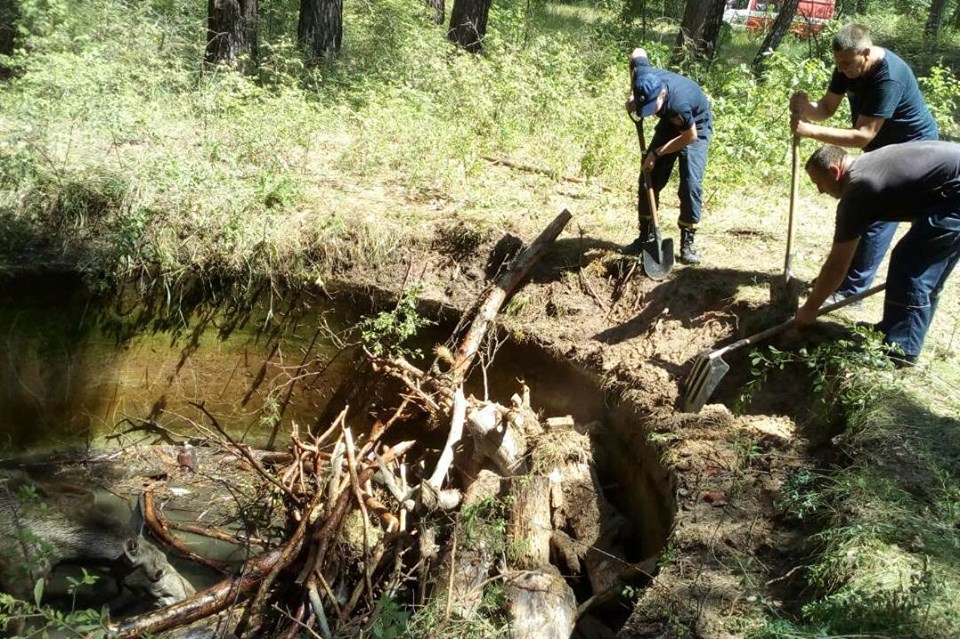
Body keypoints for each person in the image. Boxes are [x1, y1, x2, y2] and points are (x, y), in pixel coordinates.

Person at [790, 23, 938, 305]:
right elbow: (826, 109)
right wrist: (805, 108)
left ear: (866, 53)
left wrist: (808, 131)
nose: (842, 69)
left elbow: (862, 136)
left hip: (912, 147)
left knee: (877, 213)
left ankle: (851, 290)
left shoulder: (888, 78)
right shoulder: (845, 65)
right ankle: (842, 278)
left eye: (847, 63)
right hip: (881, 144)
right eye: (838, 63)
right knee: (858, 208)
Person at [796, 142, 960, 366]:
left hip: (955, 195)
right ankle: (895, 330)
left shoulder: (859, 189)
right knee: (923, 267)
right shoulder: (867, 165)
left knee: (910, 264)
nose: (820, 190)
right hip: (951, 190)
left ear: (835, 172)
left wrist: (810, 308)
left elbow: (837, 266)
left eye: (819, 183)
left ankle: (902, 351)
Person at [625, 47, 713, 265]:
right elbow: (638, 52)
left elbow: (689, 136)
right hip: (669, 123)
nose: (648, 112)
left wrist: (657, 152)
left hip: (695, 128)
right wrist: (632, 94)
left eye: (651, 108)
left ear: (662, 95)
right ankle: (646, 236)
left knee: (690, 183)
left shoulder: (679, 105)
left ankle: (687, 242)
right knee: (648, 176)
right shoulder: (643, 77)